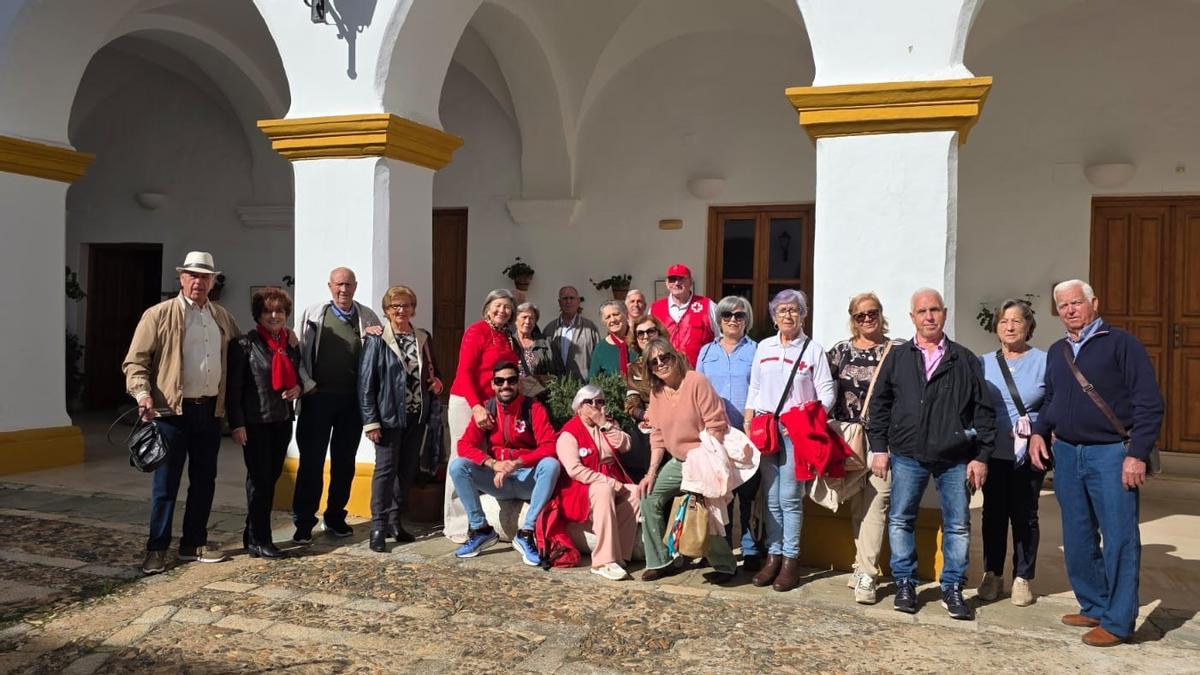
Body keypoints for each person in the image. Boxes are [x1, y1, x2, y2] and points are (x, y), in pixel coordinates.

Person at [1029, 280, 1164, 647]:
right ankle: (1094, 603)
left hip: (1112, 453)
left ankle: (1119, 622)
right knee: (1077, 534)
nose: (1070, 310)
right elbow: (1053, 399)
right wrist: (1040, 431)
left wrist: (1136, 453)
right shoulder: (1058, 351)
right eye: (1063, 305)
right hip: (1069, 453)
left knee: (1119, 537)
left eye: (1076, 303)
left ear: (1094, 303)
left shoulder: (1122, 344)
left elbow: (1149, 402)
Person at [868, 288, 996, 620]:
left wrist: (981, 456)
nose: (929, 316)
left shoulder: (964, 359)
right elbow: (880, 405)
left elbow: (982, 412)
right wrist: (879, 448)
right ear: (912, 317)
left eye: (935, 310)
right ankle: (905, 583)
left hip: (954, 457)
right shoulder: (898, 357)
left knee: (957, 525)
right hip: (907, 454)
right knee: (900, 519)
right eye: (922, 311)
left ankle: (952, 586)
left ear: (945, 313)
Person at [124, 251, 241, 574]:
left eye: (205, 277)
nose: (198, 282)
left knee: (204, 480)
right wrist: (142, 393)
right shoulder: (158, 315)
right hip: (170, 412)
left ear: (213, 281)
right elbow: (136, 361)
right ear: (181, 278)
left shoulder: (221, 317)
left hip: (209, 411)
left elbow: (242, 354)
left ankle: (193, 543)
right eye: (193, 275)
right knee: (166, 485)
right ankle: (156, 548)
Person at [744, 290, 835, 591]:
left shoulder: (813, 350)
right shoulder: (764, 348)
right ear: (773, 317)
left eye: (794, 310)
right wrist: (749, 421)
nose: (787, 315)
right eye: (781, 310)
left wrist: (805, 420)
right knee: (769, 498)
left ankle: (790, 562)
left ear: (803, 314)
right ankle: (774, 555)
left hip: (796, 433)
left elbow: (827, 393)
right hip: (767, 430)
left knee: (790, 498)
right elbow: (755, 387)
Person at [293, 267, 382, 543]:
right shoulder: (313, 314)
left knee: (345, 463)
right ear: (330, 286)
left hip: (351, 403)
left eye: (348, 285)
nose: (344, 290)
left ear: (356, 286)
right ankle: (304, 522)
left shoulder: (367, 315)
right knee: (311, 463)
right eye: (338, 285)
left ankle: (334, 517)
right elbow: (298, 353)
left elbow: (378, 355)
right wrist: (308, 384)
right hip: (316, 399)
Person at [638, 338, 737, 584]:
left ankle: (725, 566)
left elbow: (716, 425)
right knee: (649, 497)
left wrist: (704, 466)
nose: (661, 364)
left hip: (705, 455)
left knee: (704, 505)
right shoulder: (657, 392)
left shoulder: (696, 381)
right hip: (679, 461)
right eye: (654, 362)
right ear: (650, 369)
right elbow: (658, 436)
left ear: (675, 356)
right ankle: (661, 561)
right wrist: (651, 473)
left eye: (665, 357)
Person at [827, 291, 901, 604]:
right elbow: (823, 389)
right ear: (852, 319)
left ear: (881, 314)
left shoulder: (897, 351)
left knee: (878, 500)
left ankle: (868, 575)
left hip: (884, 438)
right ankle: (861, 564)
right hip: (849, 437)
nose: (867, 319)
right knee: (858, 502)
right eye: (861, 315)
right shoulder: (840, 351)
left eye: (872, 313)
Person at [358, 285, 443, 553]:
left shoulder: (422, 338)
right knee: (385, 472)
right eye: (395, 306)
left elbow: (434, 372)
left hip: (415, 416)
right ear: (386, 311)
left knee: (405, 470)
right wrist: (371, 421)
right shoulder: (377, 339)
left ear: (413, 309)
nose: (401, 310)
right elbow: (365, 384)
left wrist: (438, 383)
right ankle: (378, 527)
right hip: (388, 417)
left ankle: (395, 521)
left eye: (406, 305)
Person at [449, 362, 560, 565]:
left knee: (551, 465)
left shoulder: (532, 407)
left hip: (526, 478)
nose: (505, 385)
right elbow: (464, 445)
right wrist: (492, 464)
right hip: (498, 481)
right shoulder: (488, 409)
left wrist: (517, 463)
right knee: (458, 467)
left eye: (511, 380)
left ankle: (527, 532)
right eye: (500, 381)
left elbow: (550, 445)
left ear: (518, 383)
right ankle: (481, 529)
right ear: (493, 384)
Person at [976, 299, 1048, 607]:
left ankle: (1023, 577)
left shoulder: (1045, 361)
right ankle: (993, 573)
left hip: (1029, 452)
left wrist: (1038, 431)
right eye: (1004, 321)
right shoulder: (983, 363)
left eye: (1017, 321)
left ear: (1029, 326)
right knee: (993, 514)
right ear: (996, 327)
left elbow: (1053, 404)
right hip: (994, 451)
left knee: (1025, 515)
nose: (1009, 326)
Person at [226, 287, 307, 560]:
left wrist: (297, 388)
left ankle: (252, 533)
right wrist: (236, 424)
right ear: (258, 315)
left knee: (269, 479)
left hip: (282, 420)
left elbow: (296, 377)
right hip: (255, 421)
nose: (274, 316)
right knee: (260, 481)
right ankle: (262, 540)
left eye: (280, 311)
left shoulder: (289, 344)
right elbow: (234, 389)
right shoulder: (244, 345)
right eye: (268, 311)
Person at [445, 289, 520, 541]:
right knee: (460, 458)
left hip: (490, 404)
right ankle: (456, 524)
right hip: (467, 401)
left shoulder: (508, 337)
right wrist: (476, 407)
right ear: (487, 308)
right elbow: (464, 373)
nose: (503, 311)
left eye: (508, 307)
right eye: (498, 306)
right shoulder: (477, 331)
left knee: (482, 459)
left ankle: (476, 520)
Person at [696, 296, 762, 570]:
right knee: (720, 493)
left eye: (739, 315)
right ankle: (720, 549)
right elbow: (697, 391)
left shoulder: (757, 350)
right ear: (719, 320)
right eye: (726, 316)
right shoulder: (706, 352)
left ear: (747, 320)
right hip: (715, 435)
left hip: (747, 433)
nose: (733, 320)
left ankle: (750, 548)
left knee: (748, 492)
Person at [552, 384, 640, 580]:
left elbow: (625, 445)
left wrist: (604, 424)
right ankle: (602, 561)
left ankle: (620, 556)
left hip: (612, 481)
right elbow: (575, 470)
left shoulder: (608, 424)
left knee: (635, 493)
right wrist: (606, 481)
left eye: (599, 402)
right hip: (581, 488)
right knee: (603, 490)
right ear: (579, 407)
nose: (595, 406)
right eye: (589, 402)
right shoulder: (569, 433)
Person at [622, 314, 669, 483]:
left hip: (674, 418)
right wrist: (644, 415)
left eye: (650, 331)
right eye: (640, 333)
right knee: (634, 448)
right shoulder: (634, 368)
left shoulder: (676, 359)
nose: (645, 336)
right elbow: (631, 403)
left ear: (659, 333)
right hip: (648, 421)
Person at [649, 264, 716, 367]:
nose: (676, 283)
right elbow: (648, 341)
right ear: (667, 283)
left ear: (690, 282)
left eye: (681, 279)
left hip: (698, 373)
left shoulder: (707, 305)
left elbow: (721, 338)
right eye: (672, 279)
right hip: (665, 373)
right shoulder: (655, 308)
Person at [543, 285, 600, 380]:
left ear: (578, 301)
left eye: (572, 298)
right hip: (556, 387)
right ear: (559, 302)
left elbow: (598, 357)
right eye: (565, 298)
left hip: (583, 386)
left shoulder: (590, 328)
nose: (568, 301)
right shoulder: (550, 329)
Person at [513, 302, 553, 399]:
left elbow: (558, 371)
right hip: (514, 396)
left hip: (539, 397)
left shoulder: (545, 343)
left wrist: (542, 378)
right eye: (524, 317)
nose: (528, 321)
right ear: (515, 320)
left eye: (531, 318)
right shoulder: (508, 342)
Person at [588, 300, 636, 378]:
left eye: (616, 314)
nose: (612, 320)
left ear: (626, 315)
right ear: (603, 322)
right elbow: (592, 379)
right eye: (608, 317)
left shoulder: (640, 340)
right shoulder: (601, 348)